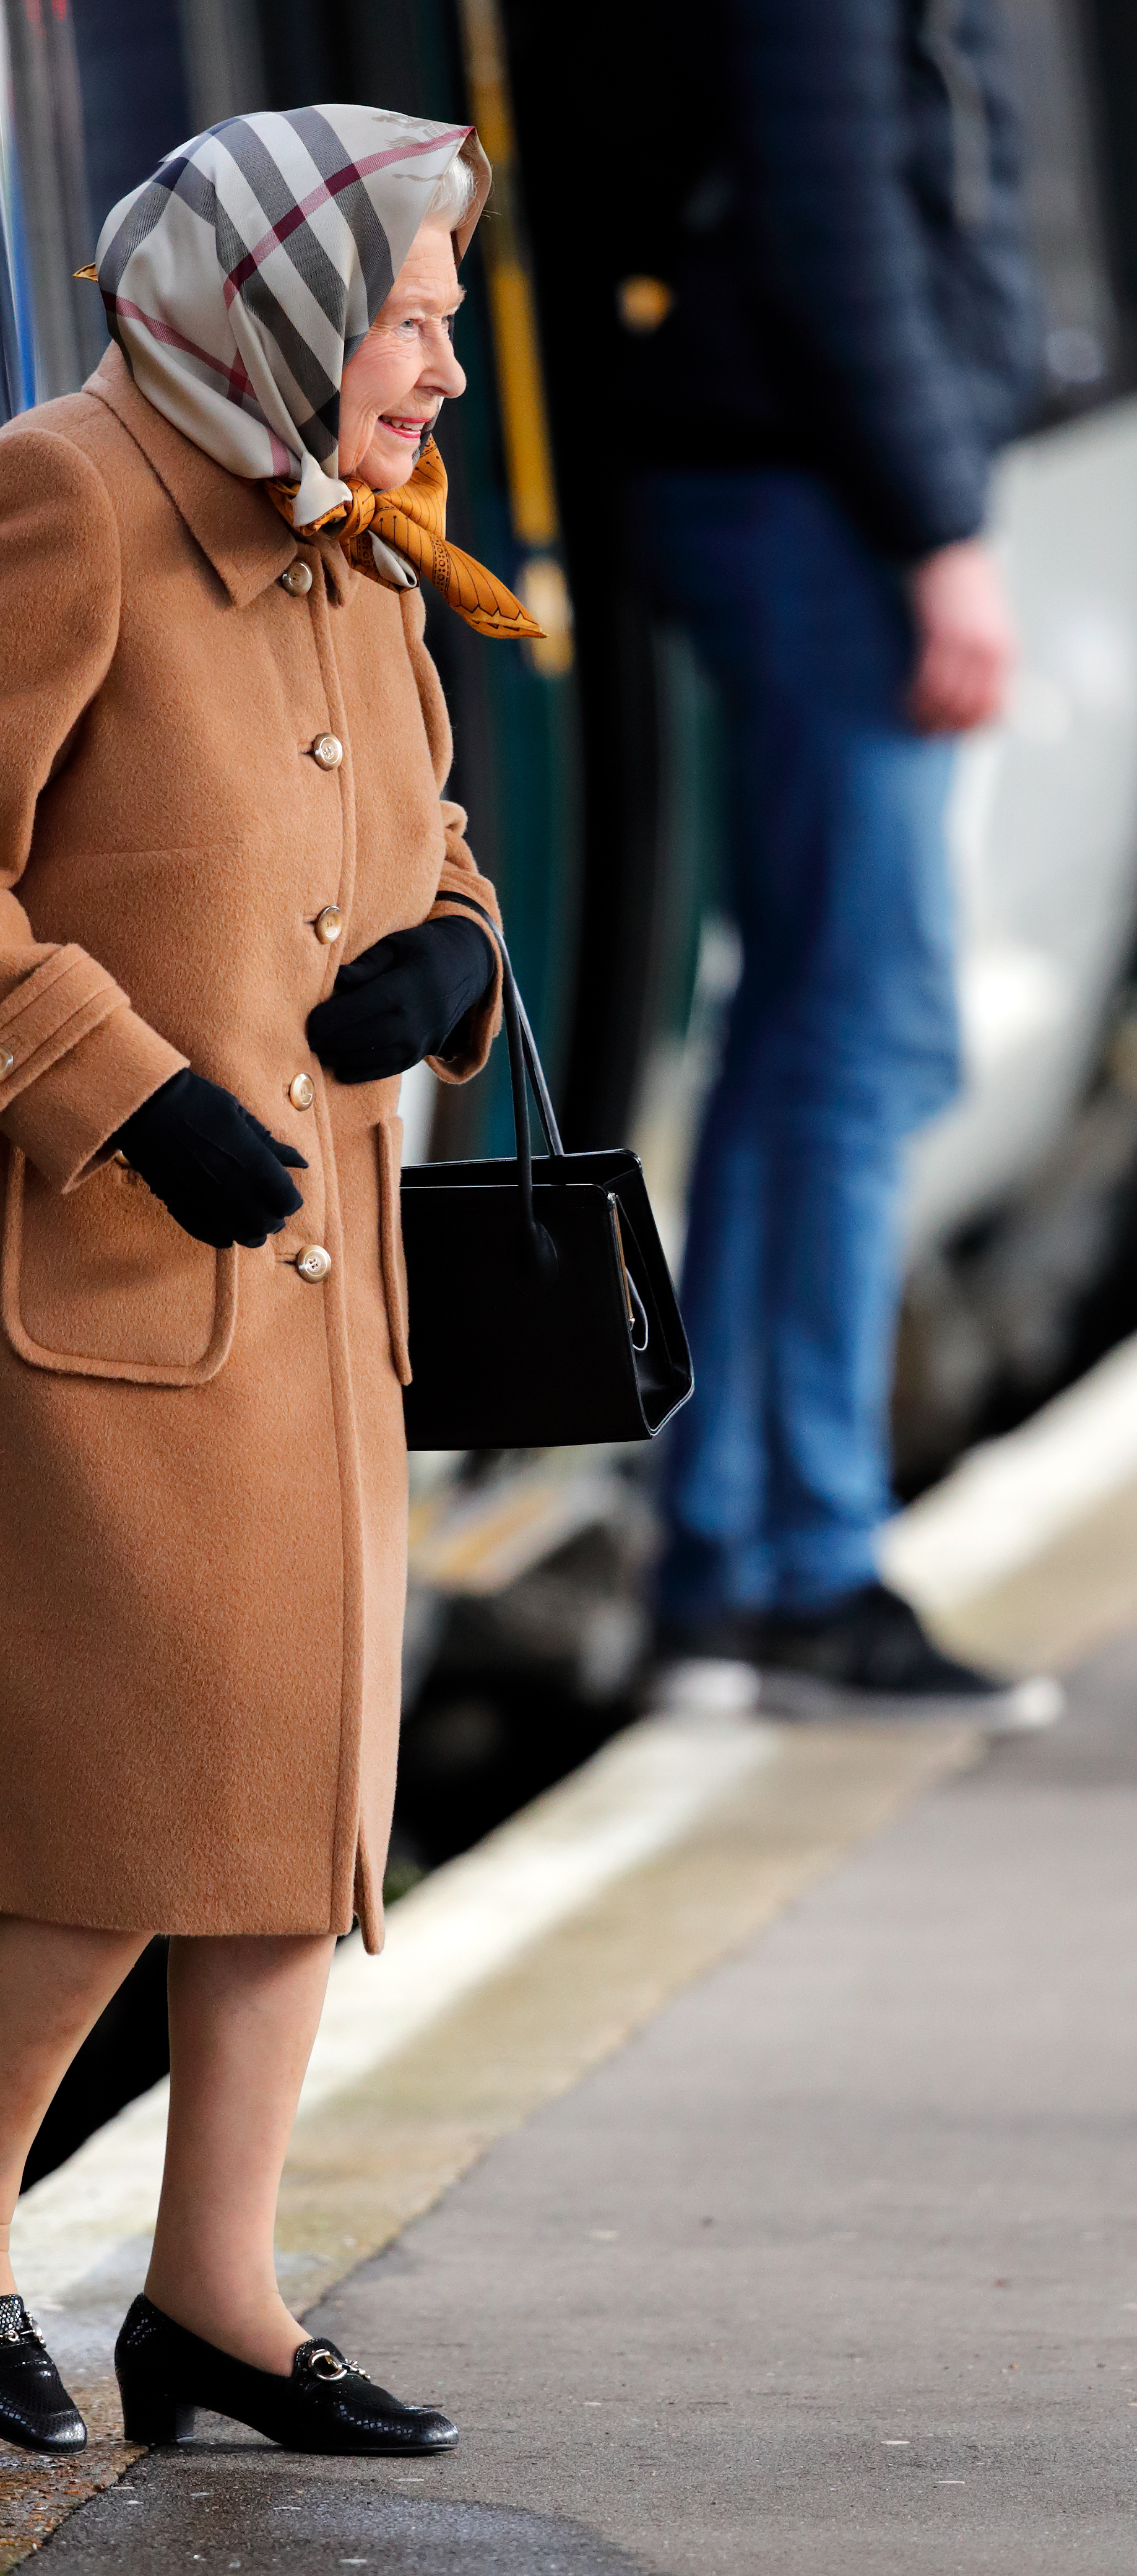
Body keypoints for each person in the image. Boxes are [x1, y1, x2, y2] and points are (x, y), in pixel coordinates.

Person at [0, 107, 542, 2457]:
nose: (436, 370)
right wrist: (116, 1083)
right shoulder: (70, 495)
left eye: (431, 323)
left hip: (304, 1309)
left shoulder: (357, 562)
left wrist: (452, 961)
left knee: (292, 1794)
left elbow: (424, 837)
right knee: (153, 1788)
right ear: (298, 315)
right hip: (108, 1279)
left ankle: (211, 2282)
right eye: (410, 321)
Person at [625, 0, 1059, 1719]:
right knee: (861, 1031)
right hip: (810, 498)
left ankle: (735, 1553)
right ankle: (795, 1561)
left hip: (796, 486)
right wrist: (933, 522)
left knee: (815, 1026)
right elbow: (826, 200)